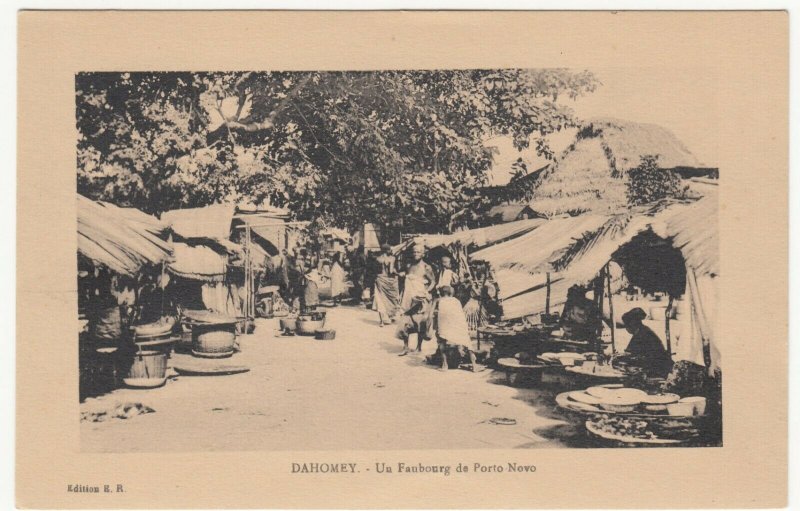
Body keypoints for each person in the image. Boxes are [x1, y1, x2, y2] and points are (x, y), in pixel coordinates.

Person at [395, 243, 436, 356]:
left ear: (423, 254)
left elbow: (432, 281)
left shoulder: (426, 267)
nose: (416, 254)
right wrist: (403, 275)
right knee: (405, 322)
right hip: (408, 298)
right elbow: (403, 275)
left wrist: (426, 292)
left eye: (418, 252)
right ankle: (406, 347)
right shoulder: (409, 265)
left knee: (419, 323)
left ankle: (419, 347)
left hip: (420, 298)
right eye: (414, 252)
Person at [618, 307, 673, 379]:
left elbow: (631, 353)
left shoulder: (644, 333)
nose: (626, 328)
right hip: (654, 364)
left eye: (627, 325)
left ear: (632, 325)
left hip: (658, 367)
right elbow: (630, 352)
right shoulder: (641, 331)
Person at [433, 285, 477, 372]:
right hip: (459, 326)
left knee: (441, 341)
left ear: (441, 293)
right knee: (467, 342)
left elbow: (436, 315)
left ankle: (445, 365)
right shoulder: (456, 301)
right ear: (450, 293)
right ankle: (474, 365)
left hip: (446, 327)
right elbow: (459, 314)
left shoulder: (439, 301)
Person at [372, 244, 401, 326]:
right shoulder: (392, 259)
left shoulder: (378, 259)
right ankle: (390, 315)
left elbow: (375, 270)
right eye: (390, 249)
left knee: (379, 299)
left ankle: (381, 321)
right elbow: (391, 271)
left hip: (379, 280)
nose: (391, 251)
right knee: (391, 299)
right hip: (389, 280)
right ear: (387, 250)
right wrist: (398, 273)